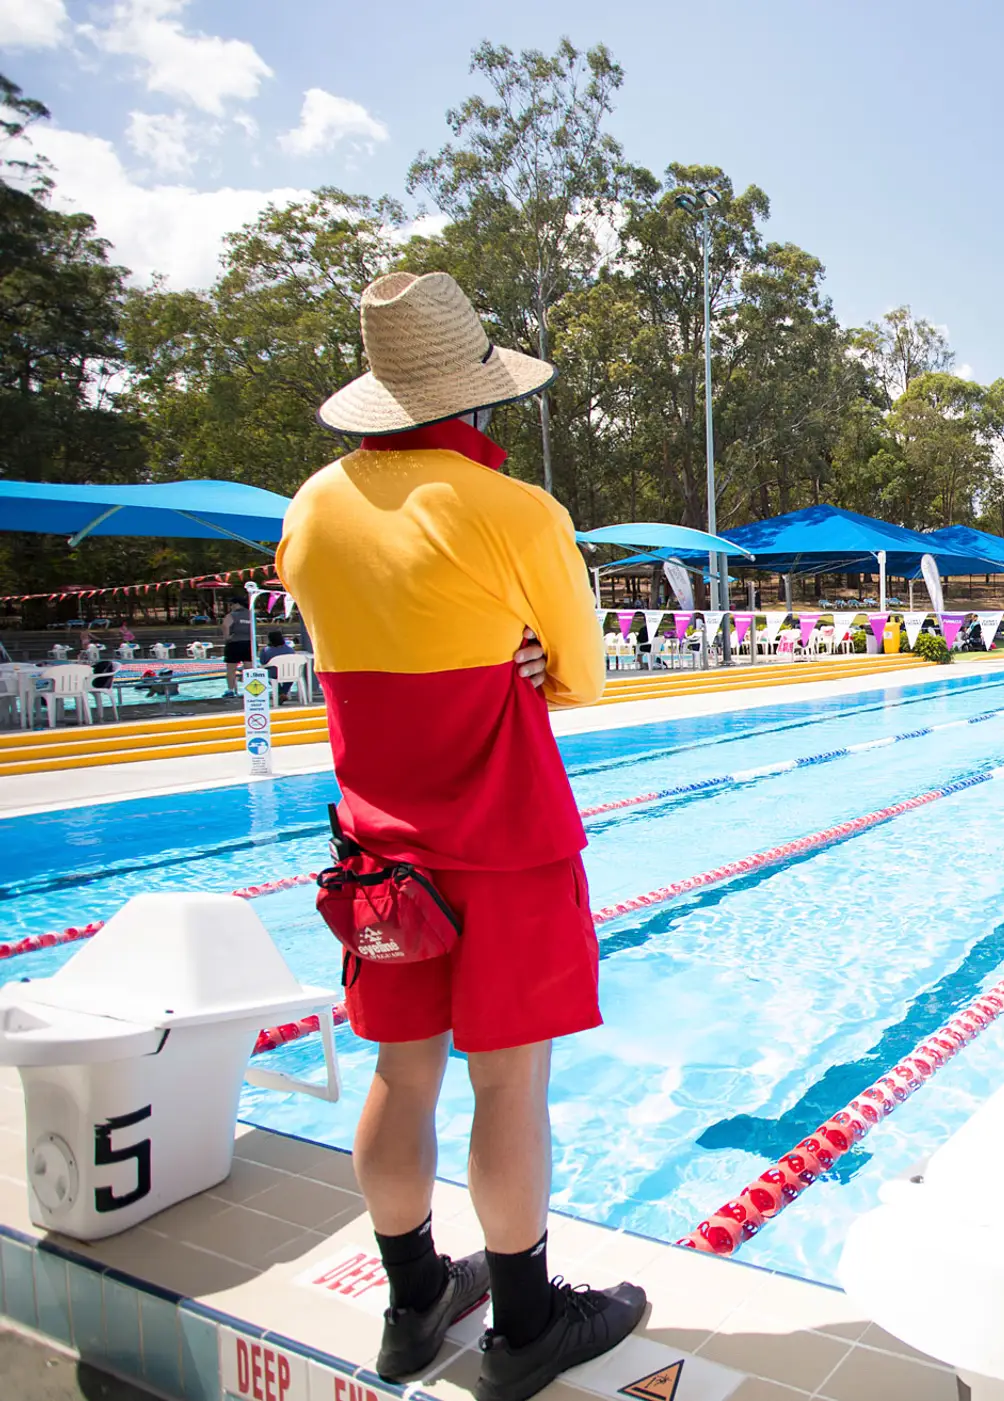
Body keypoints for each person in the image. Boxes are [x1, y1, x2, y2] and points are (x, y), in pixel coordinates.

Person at [276, 271, 641, 1400]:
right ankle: (526, 1326)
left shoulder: (313, 507)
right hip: (506, 845)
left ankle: (411, 1301)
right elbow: (578, 674)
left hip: (381, 854)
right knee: (508, 1088)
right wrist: (524, 653)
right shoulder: (516, 511)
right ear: (473, 398)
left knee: (403, 1070)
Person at [221, 598, 254, 677]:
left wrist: (227, 637)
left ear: (237, 604)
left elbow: (225, 625)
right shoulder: (251, 614)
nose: (231, 607)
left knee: (231, 669)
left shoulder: (232, 615)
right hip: (249, 643)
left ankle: (231, 688)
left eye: (231, 605)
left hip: (234, 643)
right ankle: (249, 687)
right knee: (249, 668)